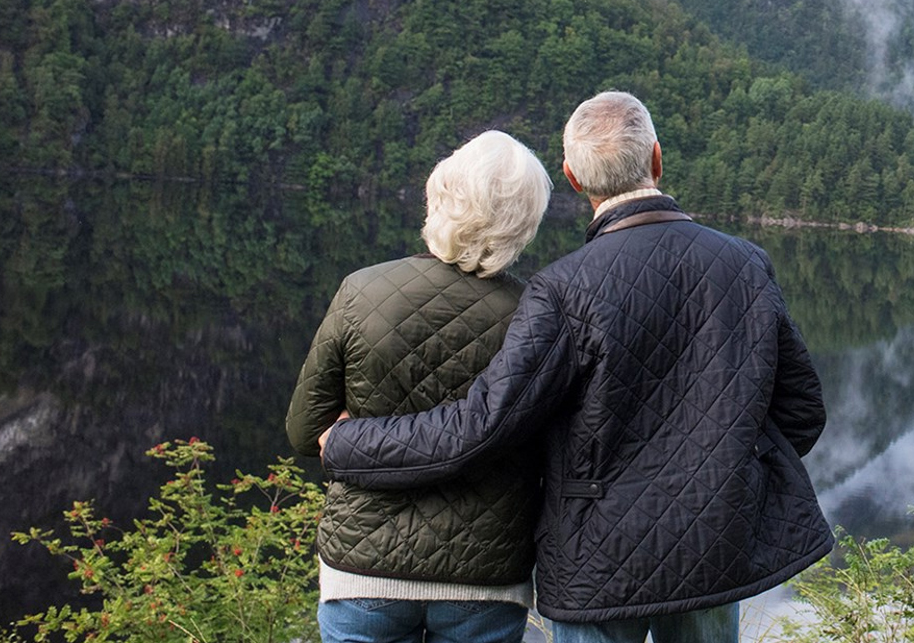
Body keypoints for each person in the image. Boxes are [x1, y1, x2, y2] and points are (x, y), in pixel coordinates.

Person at [320, 91, 831, 643]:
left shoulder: (563, 290)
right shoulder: (746, 264)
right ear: (656, 159)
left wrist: (349, 443)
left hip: (596, 561)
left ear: (572, 177)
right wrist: (725, 476)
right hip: (713, 546)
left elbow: (479, 428)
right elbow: (802, 411)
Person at [285, 130, 553, 643]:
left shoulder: (361, 292)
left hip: (363, 568)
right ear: (525, 221)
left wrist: (348, 435)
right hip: (486, 579)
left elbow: (305, 432)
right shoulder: (536, 316)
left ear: (441, 197)